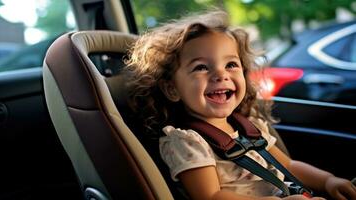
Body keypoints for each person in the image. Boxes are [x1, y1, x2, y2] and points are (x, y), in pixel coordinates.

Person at [124, 10, 356, 200]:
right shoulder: (186, 141)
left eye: (231, 65)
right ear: (172, 89)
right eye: (201, 67)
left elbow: (290, 166)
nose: (220, 75)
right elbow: (211, 196)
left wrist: (328, 181)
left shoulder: (249, 128)